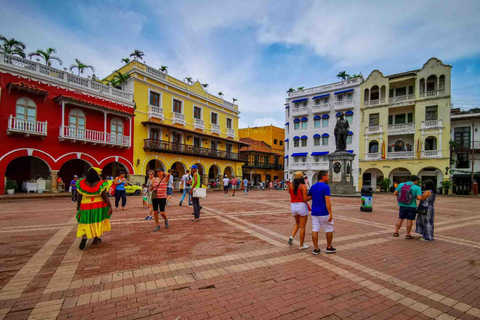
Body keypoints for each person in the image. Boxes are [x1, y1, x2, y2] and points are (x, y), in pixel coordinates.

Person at [76, 167, 113, 250]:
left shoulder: (82, 184)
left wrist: (78, 205)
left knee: (86, 221)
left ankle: (85, 236)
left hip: (85, 205)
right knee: (96, 221)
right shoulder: (100, 184)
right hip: (98, 205)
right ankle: (95, 239)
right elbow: (105, 196)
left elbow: (79, 196)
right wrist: (110, 206)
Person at [308, 171, 336, 255]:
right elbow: (327, 200)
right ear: (323, 177)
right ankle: (329, 247)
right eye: (327, 176)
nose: (329, 178)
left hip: (315, 212)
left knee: (315, 229)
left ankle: (316, 248)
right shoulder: (326, 187)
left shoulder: (313, 186)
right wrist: (330, 213)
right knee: (329, 229)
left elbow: (308, 197)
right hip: (324, 212)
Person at [288, 171, 309, 250]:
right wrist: (311, 197)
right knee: (302, 226)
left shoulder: (290, 186)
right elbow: (305, 199)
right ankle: (301, 244)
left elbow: (291, 194)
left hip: (293, 206)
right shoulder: (303, 186)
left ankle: (292, 236)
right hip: (302, 206)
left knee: (297, 223)